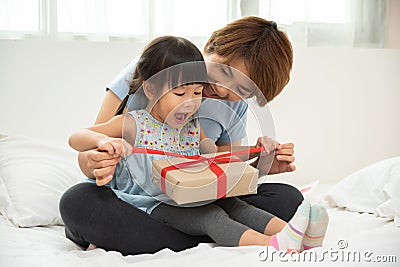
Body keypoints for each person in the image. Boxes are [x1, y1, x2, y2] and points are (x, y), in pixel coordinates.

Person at [59, 16, 305, 255]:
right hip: (138, 199)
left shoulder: (199, 123)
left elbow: (220, 166)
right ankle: (211, 232)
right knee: (78, 202)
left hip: (196, 195)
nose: (221, 89)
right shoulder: (157, 68)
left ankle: (200, 233)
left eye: (239, 89)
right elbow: (88, 149)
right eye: (224, 72)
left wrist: (258, 163)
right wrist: (100, 156)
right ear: (211, 46)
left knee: (285, 197)